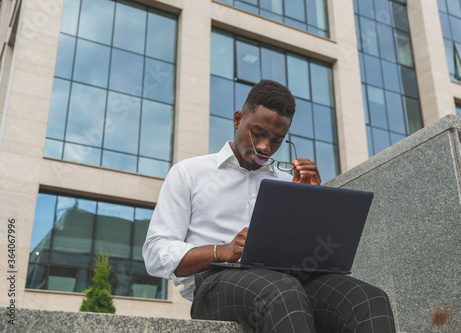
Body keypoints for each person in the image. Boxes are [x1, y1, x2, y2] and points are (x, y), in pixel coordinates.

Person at [143, 80, 396, 332]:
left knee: (368, 299)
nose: (265, 147)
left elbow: (313, 251)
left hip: (293, 281)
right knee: (281, 292)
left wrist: (311, 201)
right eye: (257, 133)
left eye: (276, 139)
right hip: (215, 286)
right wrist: (221, 251)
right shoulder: (190, 173)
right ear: (237, 119)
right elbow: (156, 252)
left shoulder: (288, 182)